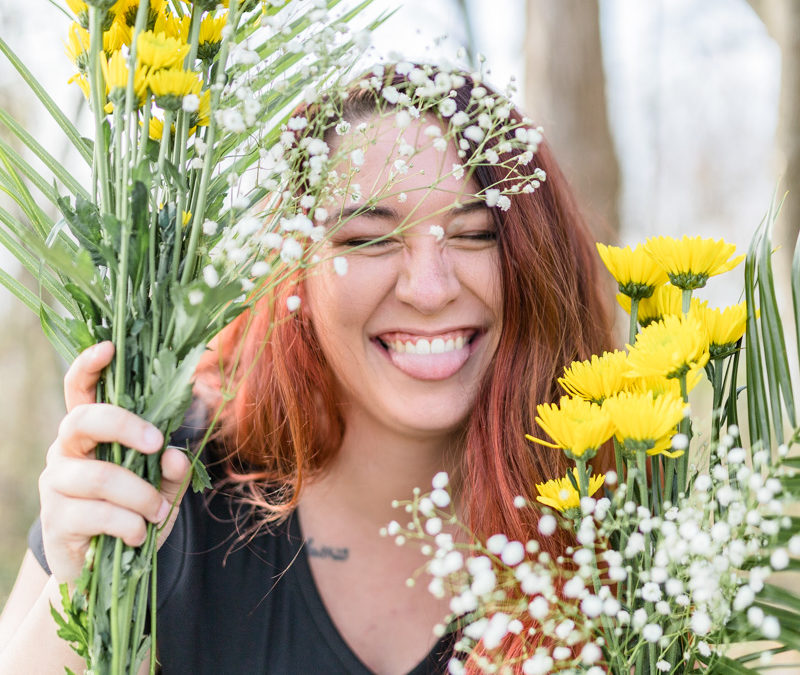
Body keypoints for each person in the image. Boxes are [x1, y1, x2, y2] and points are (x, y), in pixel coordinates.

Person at [0, 66, 612, 674]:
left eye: (475, 233)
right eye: (370, 240)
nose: (430, 290)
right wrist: (88, 595)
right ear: (294, 271)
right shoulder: (157, 488)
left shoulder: (617, 523)